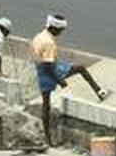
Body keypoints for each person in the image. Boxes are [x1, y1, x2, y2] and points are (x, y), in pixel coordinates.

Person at [31, 14, 111, 145]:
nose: (61, 32)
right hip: (51, 70)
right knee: (81, 69)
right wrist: (61, 81)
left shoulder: (39, 36)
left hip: (41, 71)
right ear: (55, 28)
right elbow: (49, 67)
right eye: (61, 30)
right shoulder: (49, 43)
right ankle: (99, 92)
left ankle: (48, 139)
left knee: (46, 104)